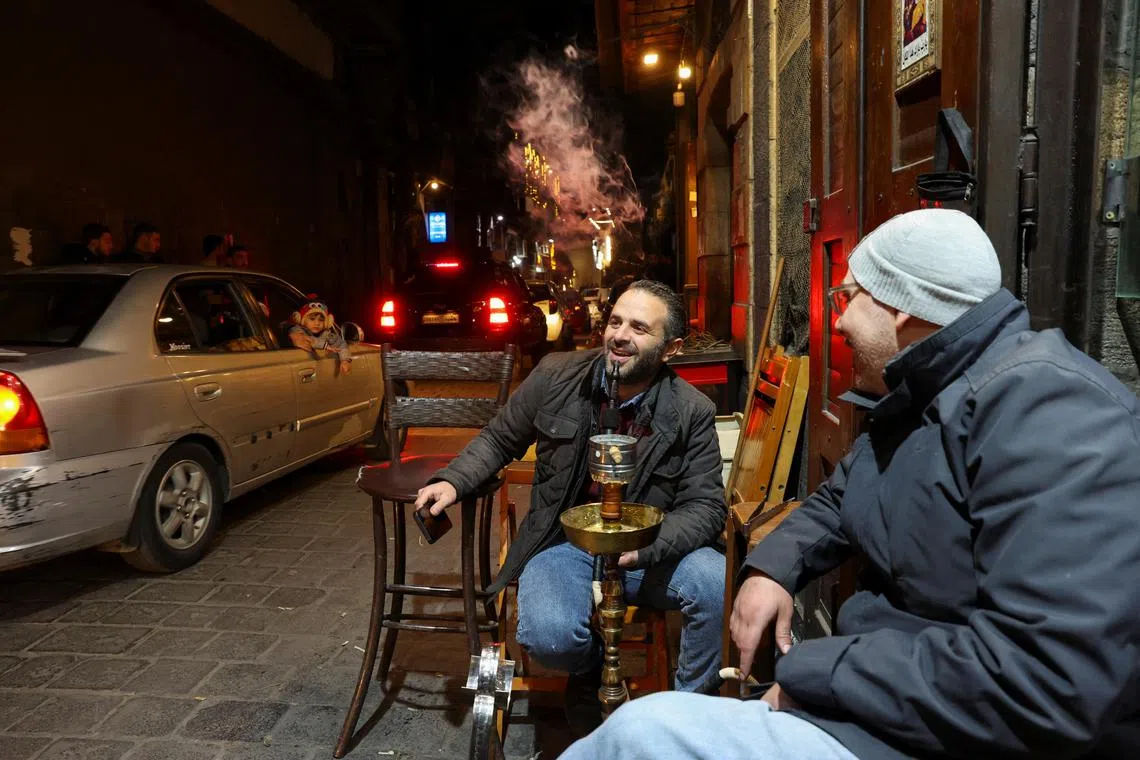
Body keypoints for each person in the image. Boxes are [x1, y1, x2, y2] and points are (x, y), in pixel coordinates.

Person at [562, 209, 1140, 759]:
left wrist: (823, 679)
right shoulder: (930, 393)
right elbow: (844, 498)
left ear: (904, 311)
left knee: (638, 737)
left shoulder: (1048, 410)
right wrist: (771, 568)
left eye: (852, 295)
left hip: (943, 737)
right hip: (892, 704)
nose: (837, 317)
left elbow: (1048, 682)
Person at [414, 279, 727, 736]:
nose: (620, 335)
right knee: (549, 637)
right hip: (564, 545)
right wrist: (453, 480)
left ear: (671, 348)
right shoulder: (555, 375)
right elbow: (502, 438)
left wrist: (647, 550)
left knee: (717, 584)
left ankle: (684, 720)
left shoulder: (691, 410)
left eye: (640, 328)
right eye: (615, 321)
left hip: (647, 549)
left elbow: (705, 507)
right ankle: (591, 666)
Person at [288, 300, 351, 375]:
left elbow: (341, 345)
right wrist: (325, 346)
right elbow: (307, 339)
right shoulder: (296, 330)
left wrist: (345, 360)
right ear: (302, 319)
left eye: (321, 320)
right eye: (312, 319)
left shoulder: (328, 335)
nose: (317, 323)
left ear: (327, 322)